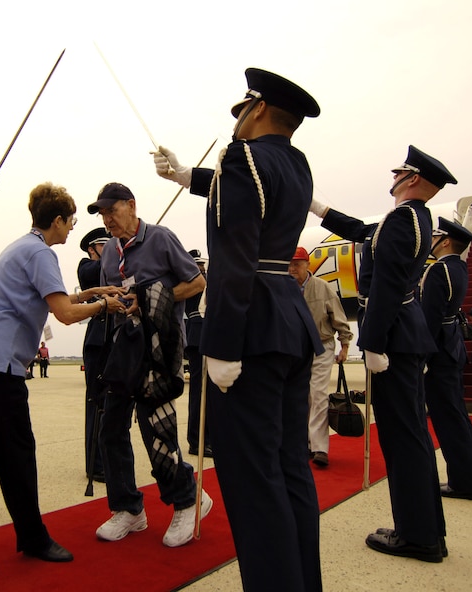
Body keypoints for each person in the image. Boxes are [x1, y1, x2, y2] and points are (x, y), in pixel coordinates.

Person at [153, 68, 324, 591]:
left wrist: (222, 346)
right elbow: (249, 193)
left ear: (258, 110)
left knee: (252, 477)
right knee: (290, 465)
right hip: (289, 323)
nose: (236, 122)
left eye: (241, 111)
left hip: (250, 327)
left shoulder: (240, 158)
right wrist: (186, 176)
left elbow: (232, 255)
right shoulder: (297, 164)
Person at [0, 182, 126, 591]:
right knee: (17, 456)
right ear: (56, 220)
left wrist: (92, 291)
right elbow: (66, 315)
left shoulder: (24, 247)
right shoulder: (41, 253)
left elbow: (54, 300)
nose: (72, 229)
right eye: (70, 221)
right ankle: (31, 539)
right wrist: (107, 304)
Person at [309, 145, 457, 563]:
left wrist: (371, 344)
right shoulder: (412, 219)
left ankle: (417, 536)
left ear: (411, 178)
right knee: (411, 436)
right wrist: (319, 208)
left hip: (392, 340)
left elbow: (388, 287)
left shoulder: (404, 220)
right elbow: (361, 231)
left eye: (399, 172)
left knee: (403, 438)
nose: (392, 176)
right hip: (405, 338)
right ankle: (426, 530)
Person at [87, 182, 210, 549]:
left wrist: (150, 298)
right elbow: (114, 292)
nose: (108, 220)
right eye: (103, 214)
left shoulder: (160, 238)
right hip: (126, 346)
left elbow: (197, 281)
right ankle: (128, 508)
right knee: (110, 427)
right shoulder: (109, 252)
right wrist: (117, 300)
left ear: (131, 205)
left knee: (156, 427)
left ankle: (187, 499)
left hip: (162, 345)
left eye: (113, 211)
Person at [420, 219, 472, 501]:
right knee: (456, 417)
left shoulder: (439, 271)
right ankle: (467, 479)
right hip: (451, 350)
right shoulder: (459, 268)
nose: (431, 239)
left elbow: (430, 319)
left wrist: (421, 355)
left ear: (445, 241)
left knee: (449, 420)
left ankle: (465, 483)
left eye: (435, 236)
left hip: (439, 354)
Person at [288, 246, 353, 468]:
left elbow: (339, 317)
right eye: (290, 263)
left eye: (297, 263)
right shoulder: (284, 289)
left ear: (307, 265)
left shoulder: (323, 288)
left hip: (322, 346)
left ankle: (320, 448)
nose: (293, 268)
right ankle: (304, 442)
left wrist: (345, 345)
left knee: (317, 394)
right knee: (300, 396)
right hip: (296, 349)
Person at [77, 227, 111, 482]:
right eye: (104, 245)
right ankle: (95, 462)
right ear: (92, 248)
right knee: (97, 402)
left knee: (115, 403)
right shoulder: (87, 266)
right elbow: (100, 274)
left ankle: (111, 457)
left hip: (118, 336)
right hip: (99, 338)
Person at [184, 249, 212, 458]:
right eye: (198, 266)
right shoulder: (191, 282)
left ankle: (207, 437)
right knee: (199, 393)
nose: (202, 270)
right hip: (198, 335)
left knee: (209, 393)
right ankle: (196, 440)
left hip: (210, 335)